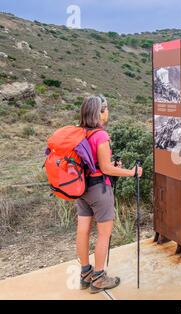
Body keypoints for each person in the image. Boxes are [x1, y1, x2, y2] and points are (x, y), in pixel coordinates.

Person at [76, 95, 143, 294]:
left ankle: (85, 274)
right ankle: (99, 278)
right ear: (101, 113)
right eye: (107, 110)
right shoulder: (100, 135)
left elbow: (94, 164)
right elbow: (106, 168)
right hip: (99, 189)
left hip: (82, 188)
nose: (108, 113)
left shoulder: (80, 132)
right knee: (104, 234)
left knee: (83, 231)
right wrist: (131, 172)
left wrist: (110, 166)